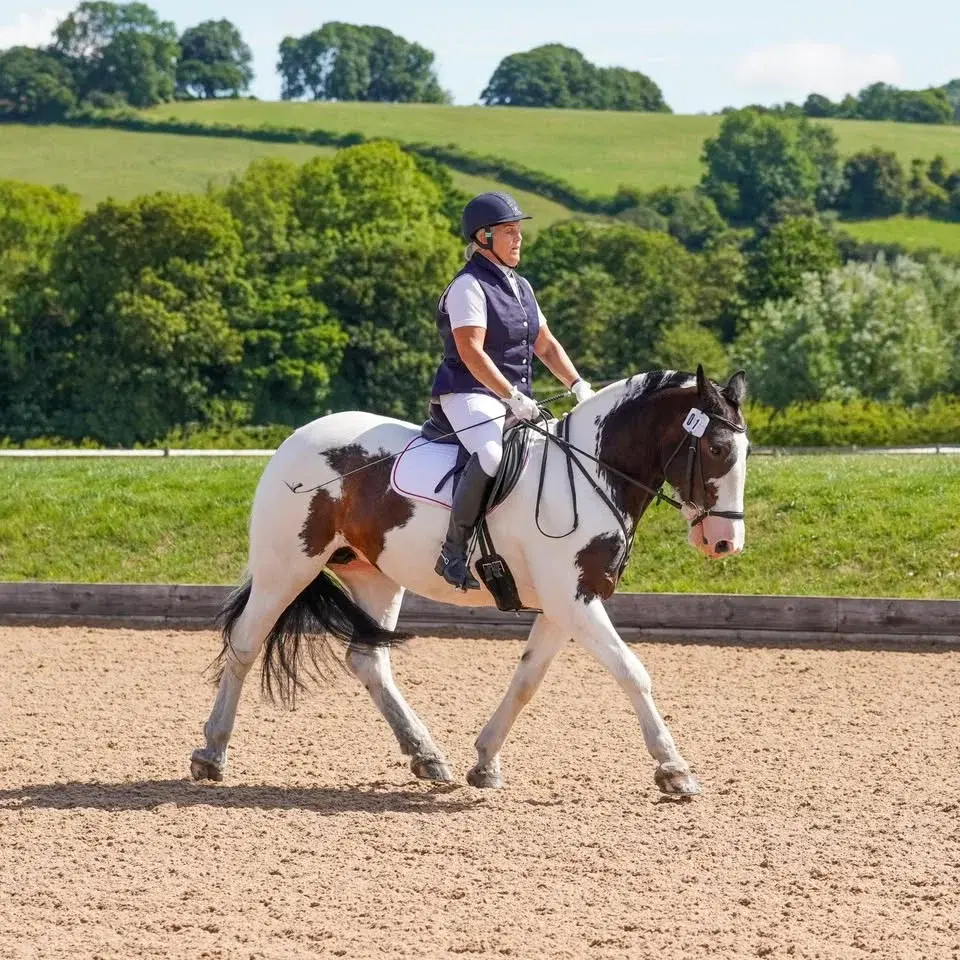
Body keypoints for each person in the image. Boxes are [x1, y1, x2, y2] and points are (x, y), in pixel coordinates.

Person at [431, 191, 594, 591]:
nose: (519, 238)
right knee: (489, 454)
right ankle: (453, 551)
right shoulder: (468, 286)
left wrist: (578, 385)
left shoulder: (521, 286)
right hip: (468, 393)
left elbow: (546, 344)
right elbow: (470, 352)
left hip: (511, 397)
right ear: (484, 237)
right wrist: (511, 396)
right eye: (509, 231)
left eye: (519, 231)